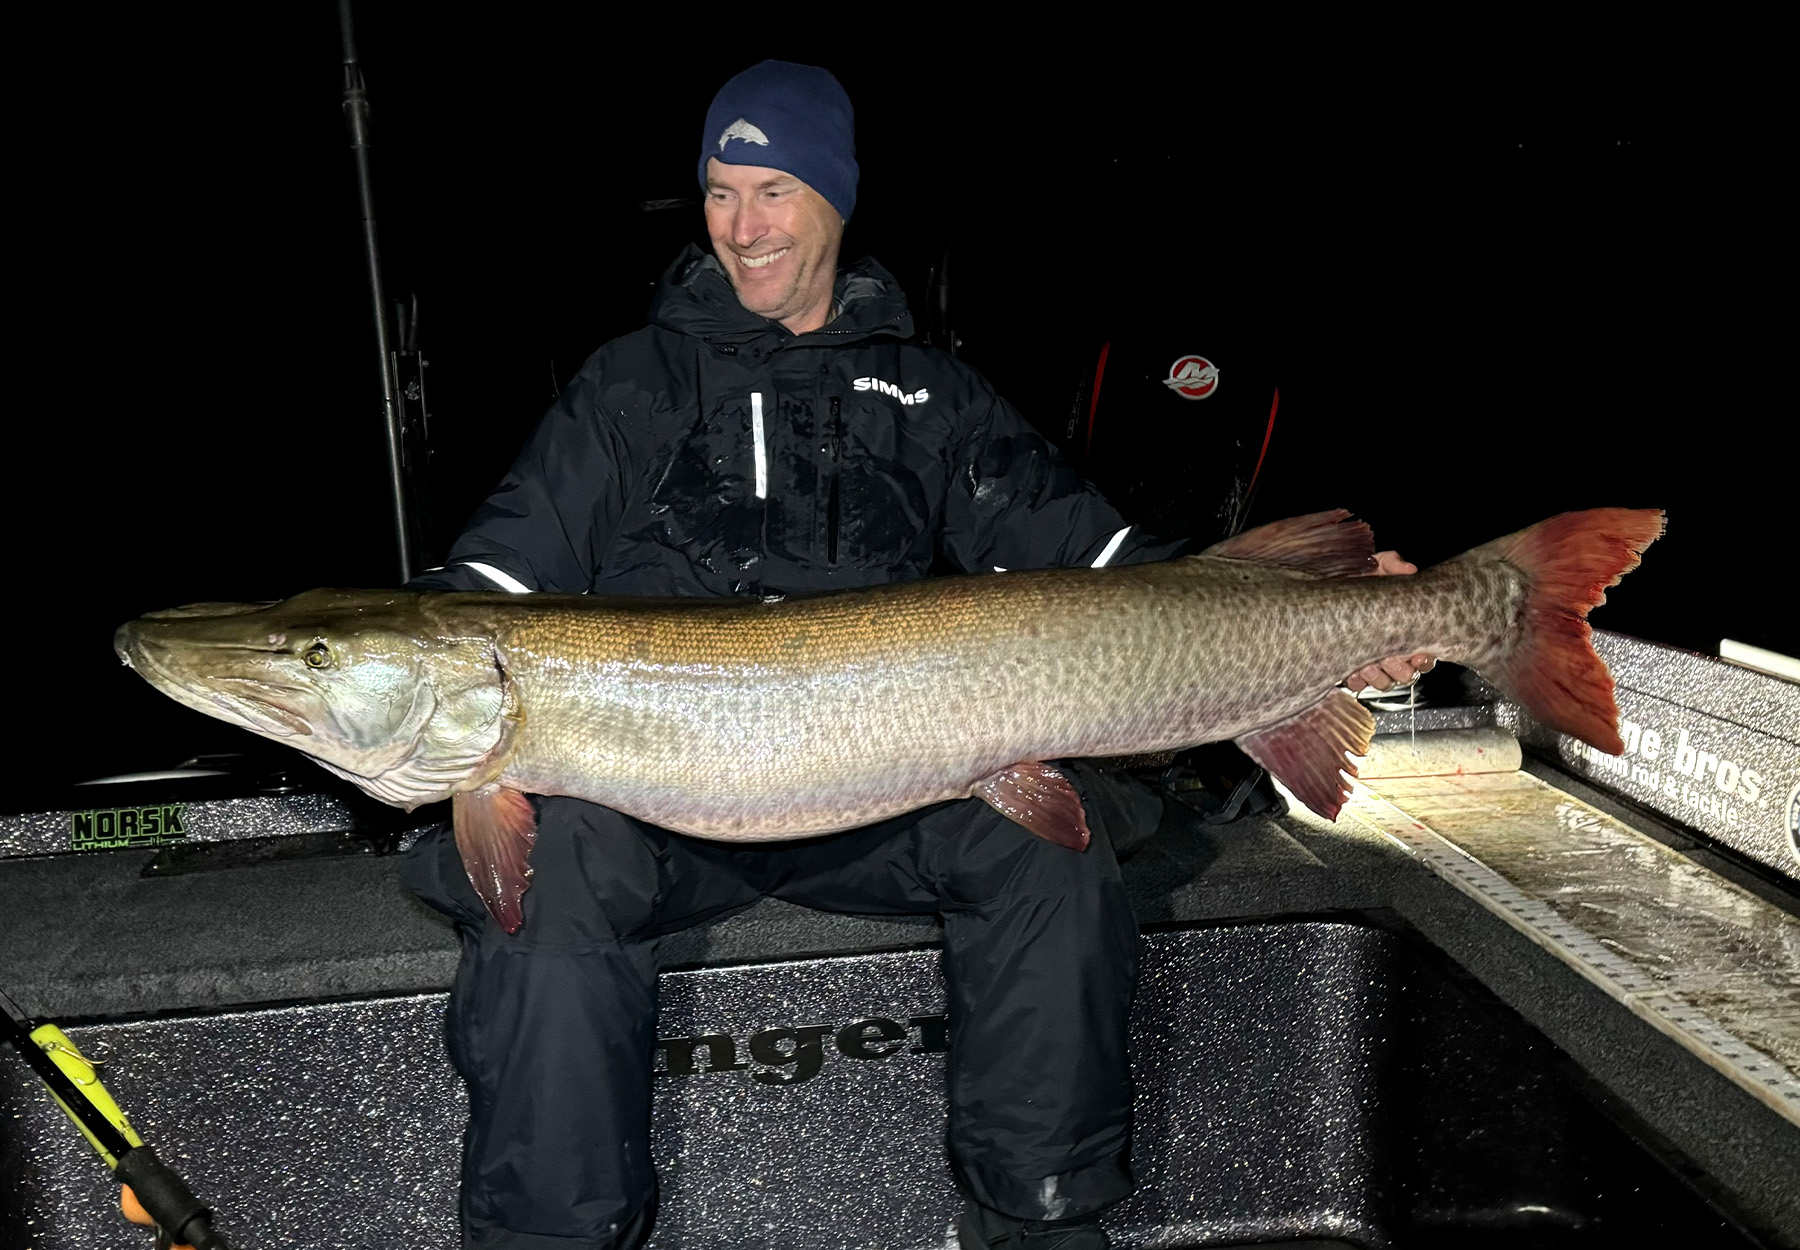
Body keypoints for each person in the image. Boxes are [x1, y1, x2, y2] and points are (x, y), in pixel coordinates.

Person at [397, 60, 1429, 1250]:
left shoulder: (930, 395)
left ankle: (1037, 1216)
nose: (744, 227)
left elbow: (1113, 566)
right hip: (657, 797)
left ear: (835, 198)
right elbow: (486, 584)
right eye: (721, 194)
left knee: (1053, 851)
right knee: (549, 880)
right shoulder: (627, 387)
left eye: (773, 189)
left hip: (893, 781)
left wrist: (1328, 616)